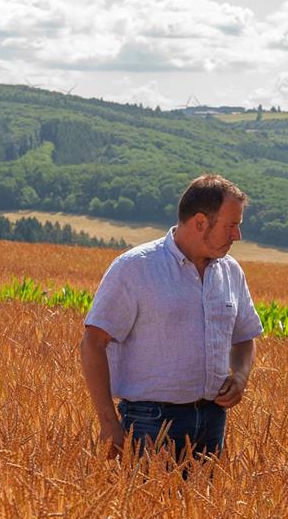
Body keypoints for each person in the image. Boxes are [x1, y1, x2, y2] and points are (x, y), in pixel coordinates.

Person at [80, 174, 263, 461]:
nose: (237, 236)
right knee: (144, 505)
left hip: (213, 418)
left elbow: (244, 337)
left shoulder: (231, 271)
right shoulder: (134, 268)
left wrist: (240, 376)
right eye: (231, 226)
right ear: (200, 222)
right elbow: (93, 342)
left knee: (206, 507)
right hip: (149, 421)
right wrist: (108, 423)